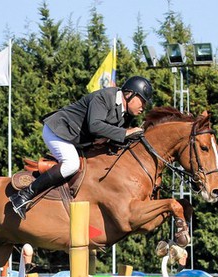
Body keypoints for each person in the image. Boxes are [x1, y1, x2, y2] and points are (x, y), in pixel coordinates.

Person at [9, 75, 154, 219]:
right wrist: (125, 132)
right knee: (72, 164)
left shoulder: (126, 113)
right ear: (130, 94)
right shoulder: (105, 97)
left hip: (77, 138)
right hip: (59, 131)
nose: (144, 107)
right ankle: (24, 195)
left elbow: (111, 134)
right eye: (142, 101)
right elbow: (95, 125)